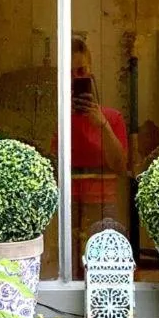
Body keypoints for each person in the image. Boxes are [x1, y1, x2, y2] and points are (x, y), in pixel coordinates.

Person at [51, 37, 128, 276]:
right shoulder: (60, 119)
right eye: (71, 72)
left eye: (81, 70)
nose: (76, 76)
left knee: (105, 268)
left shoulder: (111, 117)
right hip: (68, 202)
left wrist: (102, 125)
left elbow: (119, 165)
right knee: (68, 270)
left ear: (90, 71)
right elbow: (52, 163)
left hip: (103, 203)